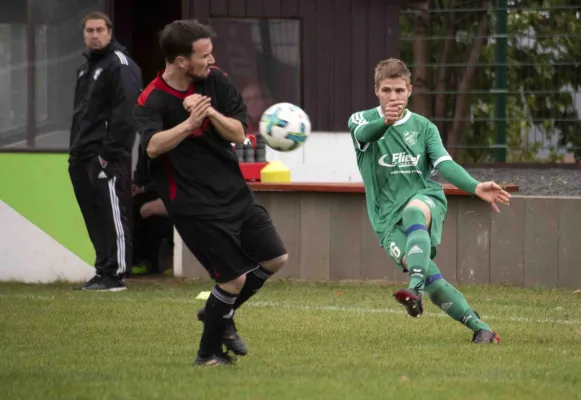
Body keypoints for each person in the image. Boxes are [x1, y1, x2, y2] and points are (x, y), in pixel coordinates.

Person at [134, 20, 288, 366]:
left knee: (275, 258)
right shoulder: (152, 98)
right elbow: (152, 148)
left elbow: (237, 133)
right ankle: (208, 355)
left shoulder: (216, 80)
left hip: (233, 191)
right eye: (204, 55)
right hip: (191, 202)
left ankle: (219, 312)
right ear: (179, 61)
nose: (212, 59)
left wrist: (208, 112)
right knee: (233, 279)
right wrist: (188, 125)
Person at [347, 58, 511, 344]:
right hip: (385, 219)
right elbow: (364, 134)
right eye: (387, 90)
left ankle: (414, 289)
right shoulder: (360, 120)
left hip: (424, 198)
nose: (393, 97)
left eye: (399, 90)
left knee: (414, 213)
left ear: (409, 90)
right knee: (433, 280)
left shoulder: (424, 128)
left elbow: (444, 165)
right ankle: (482, 329)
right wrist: (385, 122)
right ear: (376, 91)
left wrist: (474, 187)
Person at [69, 12, 143, 291]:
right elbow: (82, 115)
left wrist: (108, 154)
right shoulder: (84, 69)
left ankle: (117, 274)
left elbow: (127, 114)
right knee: (93, 214)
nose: (95, 35)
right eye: (89, 30)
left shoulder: (121, 65)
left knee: (113, 213)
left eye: (100, 29)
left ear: (110, 32)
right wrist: (75, 152)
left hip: (106, 156)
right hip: (81, 155)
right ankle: (102, 270)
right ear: (84, 34)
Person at [131, 146, 173, 276]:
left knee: (147, 211)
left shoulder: (169, 145)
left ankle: (153, 262)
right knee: (130, 207)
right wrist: (135, 186)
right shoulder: (145, 144)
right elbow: (140, 173)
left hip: (173, 194)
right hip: (152, 192)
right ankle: (137, 259)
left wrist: (144, 188)